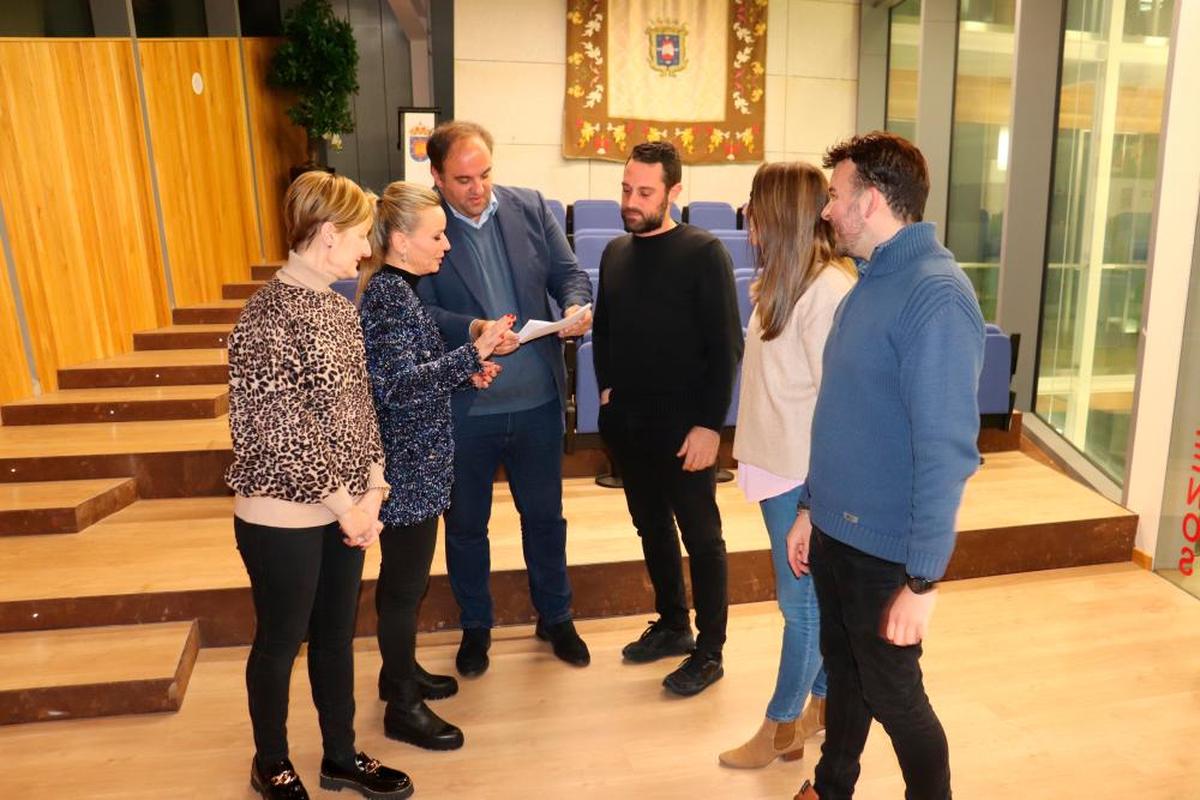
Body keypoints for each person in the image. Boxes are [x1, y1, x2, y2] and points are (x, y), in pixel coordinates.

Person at [790, 132, 984, 800]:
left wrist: (923, 581)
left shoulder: (935, 294)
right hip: (839, 534)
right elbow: (841, 415)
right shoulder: (867, 285)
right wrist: (811, 508)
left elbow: (947, 451)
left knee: (897, 699)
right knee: (846, 673)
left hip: (887, 554)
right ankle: (832, 784)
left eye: (836, 196)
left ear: (870, 200)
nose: (826, 210)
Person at [226, 171, 412, 800]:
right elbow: (282, 431)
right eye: (361, 237)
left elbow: (360, 410)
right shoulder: (265, 317)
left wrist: (375, 487)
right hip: (281, 516)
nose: (366, 251)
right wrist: (346, 505)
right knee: (281, 641)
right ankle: (270, 762)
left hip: (348, 509)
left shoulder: (338, 307)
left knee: (336, 637)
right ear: (328, 236)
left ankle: (340, 755)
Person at [415, 120, 594, 676]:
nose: (478, 188)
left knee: (545, 518)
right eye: (463, 178)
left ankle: (556, 616)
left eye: (485, 173)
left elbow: (569, 274)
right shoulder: (423, 226)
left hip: (536, 401)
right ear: (437, 176)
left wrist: (572, 308)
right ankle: (476, 626)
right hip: (466, 408)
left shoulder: (531, 206)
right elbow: (417, 310)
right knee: (467, 525)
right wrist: (473, 329)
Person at [359, 182, 513, 750]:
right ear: (400, 241)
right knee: (403, 589)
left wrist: (461, 370)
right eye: (436, 235)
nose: (446, 244)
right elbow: (396, 387)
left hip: (415, 460)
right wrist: (474, 353)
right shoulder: (391, 297)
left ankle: (399, 672)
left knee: (410, 584)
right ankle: (401, 703)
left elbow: (414, 368)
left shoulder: (401, 289)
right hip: (405, 466)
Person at [592, 141, 743, 697]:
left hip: (687, 433)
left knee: (702, 538)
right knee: (650, 527)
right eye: (626, 189)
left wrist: (710, 426)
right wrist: (607, 392)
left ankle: (710, 650)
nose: (631, 201)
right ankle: (674, 624)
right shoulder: (615, 252)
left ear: (675, 192)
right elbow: (604, 331)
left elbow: (726, 345)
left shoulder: (704, 253)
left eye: (645, 192)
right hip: (630, 426)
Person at [719, 162, 856, 768]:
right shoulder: (787, 279)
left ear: (779, 213)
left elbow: (838, 403)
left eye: (755, 202)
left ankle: (780, 726)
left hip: (801, 474)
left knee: (799, 608)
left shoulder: (827, 290)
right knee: (813, 602)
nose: (746, 214)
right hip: (777, 465)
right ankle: (822, 707)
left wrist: (812, 499)